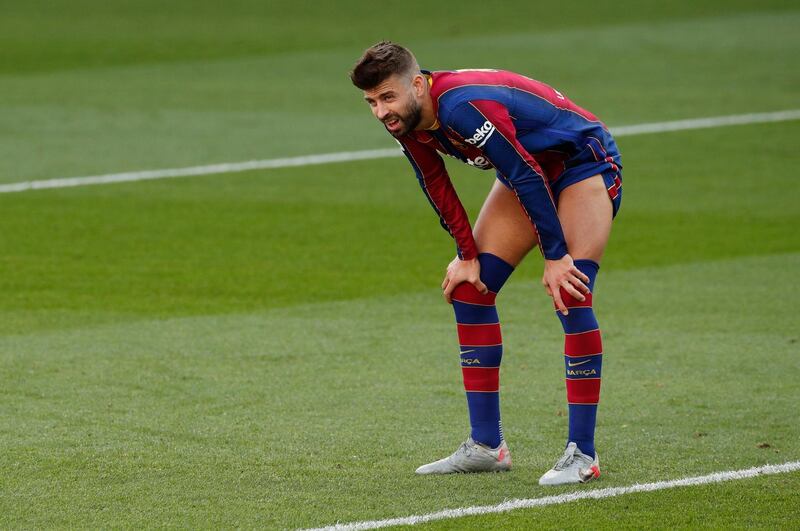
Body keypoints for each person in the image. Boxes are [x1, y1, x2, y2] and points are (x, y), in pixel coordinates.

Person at [349, 41, 622, 485]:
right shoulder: (405, 118)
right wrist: (466, 256)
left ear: (417, 84)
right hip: (527, 173)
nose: (381, 111)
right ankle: (486, 446)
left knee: (570, 289)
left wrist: (555, 257)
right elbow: (433, 180)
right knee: (467, 290)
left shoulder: (460, 106)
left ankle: (582, 454)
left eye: (387, 97)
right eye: (371, 102)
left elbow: (525, 173)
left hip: (580, 164)